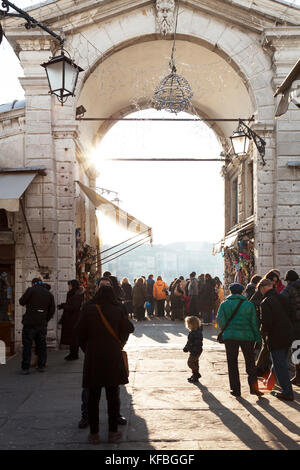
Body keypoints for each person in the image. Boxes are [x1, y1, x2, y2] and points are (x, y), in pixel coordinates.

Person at [76, 284, 134, 444]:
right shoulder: (117, 310)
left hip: (93, 357)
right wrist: (119, 343)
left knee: (93, 397)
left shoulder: (88, 310)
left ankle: (94, 434)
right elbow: (130, 327)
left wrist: (87, 349)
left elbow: (79, 333)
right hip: (112, 356)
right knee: (112, 396)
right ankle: (112, 432)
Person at [217, 283, 263, 398]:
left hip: (230, 337)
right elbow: (254, 323)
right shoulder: (249, 305)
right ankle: (253, 388)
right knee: (250, 362)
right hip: (247, 337)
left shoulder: (224, 304)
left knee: (232, 363)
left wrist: (226, 329)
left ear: (230, 291)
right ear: (242, 292)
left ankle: (235, 389)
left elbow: (220, 321)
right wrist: (258, 338)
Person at [259, 278, 294, 401]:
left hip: (276, 337)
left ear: (263, 288)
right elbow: (292, 315)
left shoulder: (265, 302)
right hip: (288, 335)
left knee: (280, 365)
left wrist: (262, 332)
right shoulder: (283, 298)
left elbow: (266, 323)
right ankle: (270, 383)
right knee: (279, 362)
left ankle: (288, 392)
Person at [19, 278, 55, 374]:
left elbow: (21, 301)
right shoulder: (49, 294)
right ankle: (41, 366)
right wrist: (45, 319)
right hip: (42, 323)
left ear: (33, 283)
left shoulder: (31, 290)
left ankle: (25, 368)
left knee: (27, 346)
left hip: (29, 323)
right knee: (42, 345)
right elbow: (52, 310)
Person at [281, 270, 300, 387]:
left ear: (288, 280)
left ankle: (298, 376)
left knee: (296, 348)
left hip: (295, 323)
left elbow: (281, 301)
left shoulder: (288, 289)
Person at [58, 280, 85, 361]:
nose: (68, 287)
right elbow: (70, 304)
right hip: (70, 318)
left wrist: (64, 307)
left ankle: (74, 354)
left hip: (74, 318)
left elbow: (74, 307)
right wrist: (63, 305)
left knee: (73, 337)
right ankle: (72, 353)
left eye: (69, 285)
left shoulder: (77, 295)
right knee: (71, 337)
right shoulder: (72, 293)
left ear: (73, 286)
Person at [183, 315, 203, 383]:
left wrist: (194, 350)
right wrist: (186, 347)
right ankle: (195, 376)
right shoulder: (193, 332)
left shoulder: (196, 333)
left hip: (196, 351)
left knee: (190, 363)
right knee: (195, 363)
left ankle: (196, 374)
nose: (188, 326)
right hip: (195, 350)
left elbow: (197, 343)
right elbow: (189, 342)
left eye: (188, 324)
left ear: (192, 324)